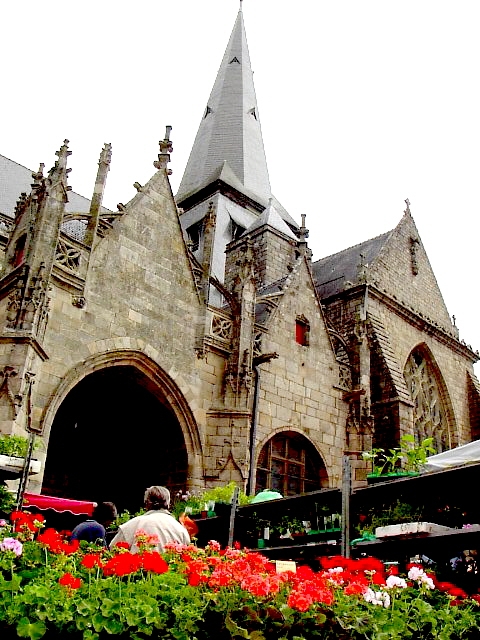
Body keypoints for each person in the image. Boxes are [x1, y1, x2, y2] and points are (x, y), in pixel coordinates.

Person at [109, 486, 190, 553]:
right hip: (172, 571)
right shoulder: (180, 528)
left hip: (139, 571)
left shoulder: (132, 525)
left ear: (147, 503)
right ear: (168, 504)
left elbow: (113, 549)